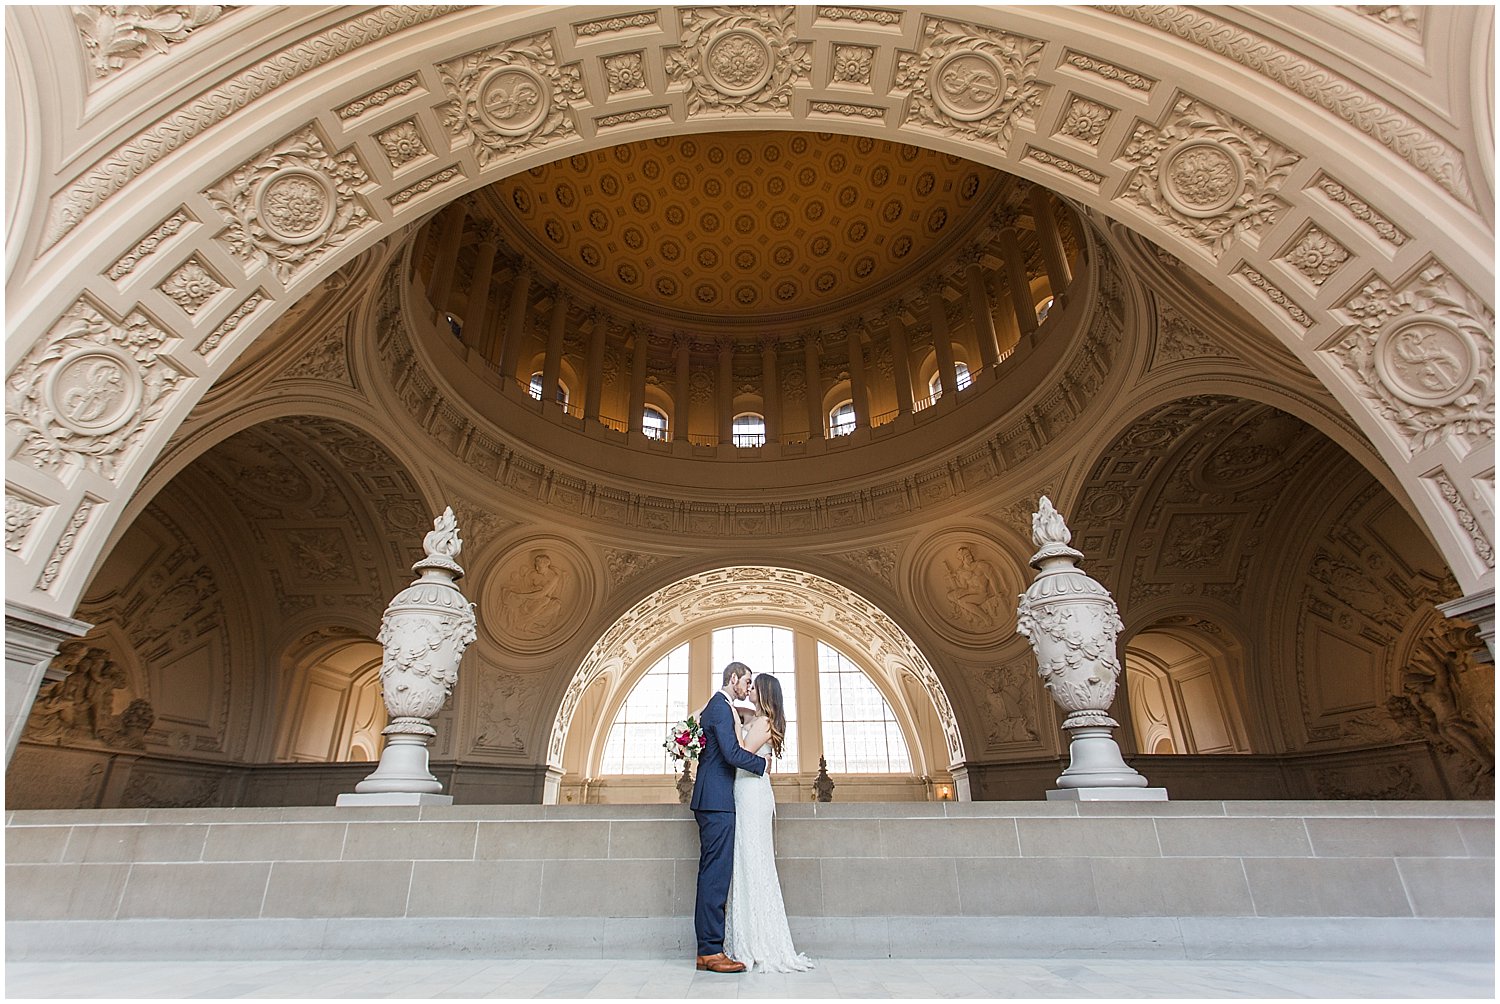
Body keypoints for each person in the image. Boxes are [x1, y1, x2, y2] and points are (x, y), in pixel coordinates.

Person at [724, 672, 815, 972]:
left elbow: (741, 753)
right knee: (748, 860)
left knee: (752, 860)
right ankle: (749, 935)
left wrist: (734, 725)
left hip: (750, 793)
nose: (748, 689)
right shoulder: (760, 718)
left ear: (763, 692)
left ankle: (757, 942)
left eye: (753, 686)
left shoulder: (762, 722)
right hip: (749, 791)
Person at [690, 662, 767, 973]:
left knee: (714, 873)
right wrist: (763, 766)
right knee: (715, 875)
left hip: (715, 799)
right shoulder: (720, 707)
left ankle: (708, 949)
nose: (748, 688)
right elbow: (731, 753)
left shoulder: (723, 707)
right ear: (732, 678)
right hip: (716, 800)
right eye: (746, 681)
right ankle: (710, 951)